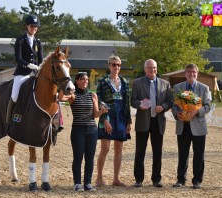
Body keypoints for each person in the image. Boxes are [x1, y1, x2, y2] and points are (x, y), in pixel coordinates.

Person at [131, 59, 172, 188]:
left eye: (154, 68)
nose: (152, 70)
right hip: (143, 121)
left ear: (156, 68)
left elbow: (170, 101)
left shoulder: (165, 84)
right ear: (145, 69)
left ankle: (156, 179)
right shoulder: (137, 83)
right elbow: (133, 101)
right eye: (149, 68)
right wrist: (140, 104)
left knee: (157, 152)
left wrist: (164, 107)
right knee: (140, 152)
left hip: (158, 121)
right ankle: (138, 179)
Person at [64, 72, 108, 191]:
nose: (85, 81)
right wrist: (67, 88)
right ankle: (77, 183)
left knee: (90, 157)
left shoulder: (92, 95)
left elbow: (95, 114)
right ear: (77, 81)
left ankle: (88, 183)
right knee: (78, 157)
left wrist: (102, 111)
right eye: (82, 79)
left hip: (92, 130)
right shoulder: (73, 96)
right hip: (78, 130)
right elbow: (60, 98)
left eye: (87, 80)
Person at [172, 63, 210, 189]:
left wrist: (197, 111)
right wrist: (177, 113)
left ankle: (197, 181)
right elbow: (174, 105)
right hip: (182, 125)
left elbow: (208, 105)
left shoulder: (204, 88)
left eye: (193, 72)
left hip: (198, 126)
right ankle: (180, 180)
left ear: (197, 73)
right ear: (185, 74)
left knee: (199, 154)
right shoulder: (178, 87)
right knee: (183, 154)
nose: (191, 74)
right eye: (189, 72)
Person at [95, 55, 132, 187]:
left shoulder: (125, 82)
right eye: (113, 64)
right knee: (105, 148)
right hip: (108, 117)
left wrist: (129, 121)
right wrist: (104, 120)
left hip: (121, 117)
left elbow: (127, 102)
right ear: (109, 66)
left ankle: (116, 178)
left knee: (119, 149)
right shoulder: (102, 81)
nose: (116, 67)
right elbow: (99, 101)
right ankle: (99, 177)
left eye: (118, 65)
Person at [6, 14, 43, 125]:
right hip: (22, 73)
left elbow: (41, 59)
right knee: (15, 96)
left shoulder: (38, 42)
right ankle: (8, 120)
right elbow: (18, 58)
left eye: (36, 27)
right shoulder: (20, 40)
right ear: (26, 26)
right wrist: (29, 65)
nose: (34, 28)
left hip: (35, 73)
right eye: (32, 26)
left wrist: (39, 67)